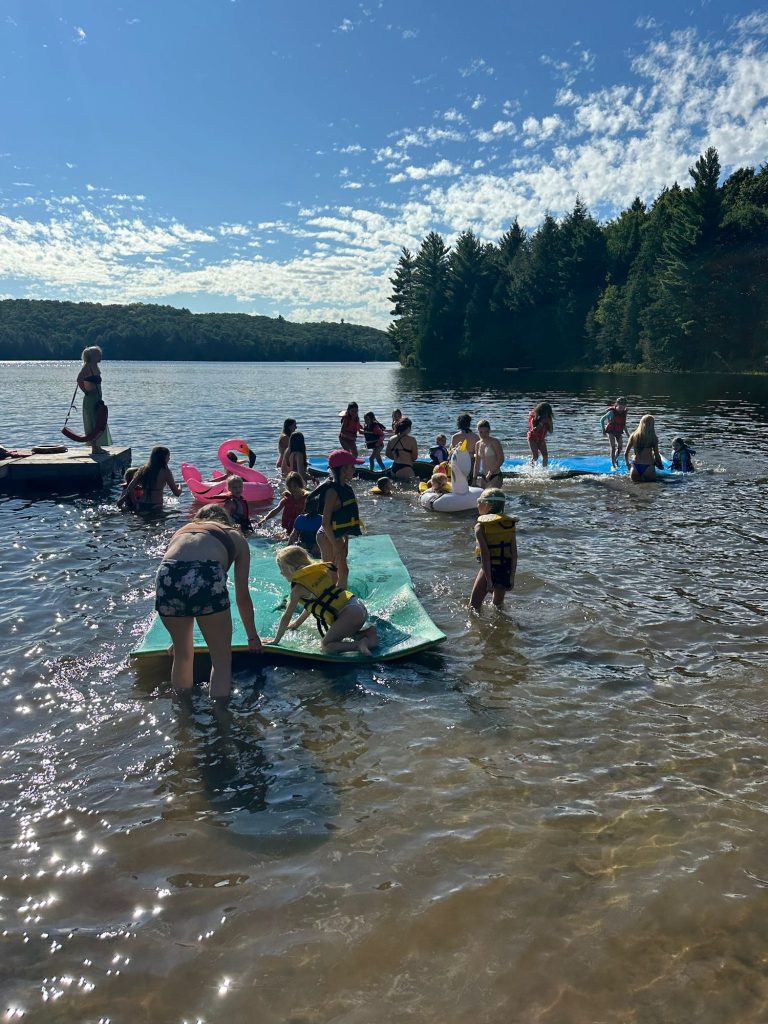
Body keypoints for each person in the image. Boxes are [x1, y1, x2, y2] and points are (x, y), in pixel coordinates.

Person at [154, 504, 262, 698]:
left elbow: (181, 570)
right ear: (225, 520)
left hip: (166, 575)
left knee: (182, 655)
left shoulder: (182, 531)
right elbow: (242, 596)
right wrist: (252, 637)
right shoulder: (235, 535)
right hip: (206, 573)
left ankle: (183, 718)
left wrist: (176, 637)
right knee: (221, 661)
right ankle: (221, 720)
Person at [267, 545, 377, 655]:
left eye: (282, 568)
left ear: (291, 568)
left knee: (327, 646)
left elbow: (287, 616)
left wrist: (276, 640)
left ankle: (358, 645)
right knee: (347, 633)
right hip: (357, 607)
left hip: (349, 614)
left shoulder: (297, 589)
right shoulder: (319, 572)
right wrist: (296, 624)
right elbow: (313, 605)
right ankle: (368, 634)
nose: (281, 573)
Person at [316, 449, 362, 588]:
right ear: (343, 469)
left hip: (339, 535)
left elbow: (345, 519)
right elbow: (325, 522)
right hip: (326, 536)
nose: (355, 470)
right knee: (332, 573)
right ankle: (326, 600)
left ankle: (342, 599)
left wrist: (345, 541)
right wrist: (335, 545)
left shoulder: (345, 488)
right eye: (352, 467)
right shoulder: (332, 492)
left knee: (344, 571)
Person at [470, 488, 518, 610]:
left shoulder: (480, 527)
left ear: (487, 505)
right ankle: (502, 626)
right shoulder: (509, 525)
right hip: (505, 569)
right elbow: (514, 554)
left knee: (473, 607)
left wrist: (489, 580)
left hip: (488, 570)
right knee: (498, 606)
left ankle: (480, 628)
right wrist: (511, 578)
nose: (477, 505)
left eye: (479, 502)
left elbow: (485, 555)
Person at [117, 445, 182, 512]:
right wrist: (180, 487)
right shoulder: (166, 471)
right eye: (168, 456)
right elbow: (177, 493)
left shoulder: (143, 469)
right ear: (163, 458)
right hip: (156, 506)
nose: (169, 459)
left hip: (141, 504)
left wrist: (135, 502)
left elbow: (129, 489)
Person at [76, 345, 112, 454]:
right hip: (90, 399)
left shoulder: (96, 366)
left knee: (99, 422)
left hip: (97, 398)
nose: (100, 356)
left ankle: (98, 446)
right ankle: (94, 448)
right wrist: (86, 391)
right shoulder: (87, 367)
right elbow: (79, 379)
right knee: (93, 422)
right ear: (92, 356)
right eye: (98, 354)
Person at [624, 415, 664, 482]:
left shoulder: (633, 435)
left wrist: (628, 464)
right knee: (651, 489)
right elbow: (656, 455)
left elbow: (626, 453)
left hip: (635, 467)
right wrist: (660, 465)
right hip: (648, 467)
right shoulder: (653, 437)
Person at [385, 417, 418, 482]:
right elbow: (414, 457)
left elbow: (387, 454)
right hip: (406, 468)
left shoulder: (391, 439)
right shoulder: (412, 440)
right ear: (408, 428)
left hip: (394, 467)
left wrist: (396, 457)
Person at [474, 419, 505, 488]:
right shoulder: (478, 444)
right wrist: (474, 478)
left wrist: (490, 472)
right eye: (481, 432)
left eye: (486, 432)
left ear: (489, 431)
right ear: (478, 431)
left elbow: (501, 459)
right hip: (483, 476)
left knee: (492, 497)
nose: (483, 434)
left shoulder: (494, 442)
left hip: (495, 475)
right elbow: (477, 463)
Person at [600, 397, 630, 468]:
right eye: (620, 407)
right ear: (616, 405)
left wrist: (628, 434)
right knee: (613, 447)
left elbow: (623, 424)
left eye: (623, 407)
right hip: (610, 431)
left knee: (620, 447)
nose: (621, 409)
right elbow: (602, 420)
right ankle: (613, 465)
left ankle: (615, 459)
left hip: (619, 431)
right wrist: (603, 430)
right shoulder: (611, 412)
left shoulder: (624, 413)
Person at [527, 402, 554, 466]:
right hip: (532, 438)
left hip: (541, 439)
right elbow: (534, 430)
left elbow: (551, 431)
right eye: (545, 413)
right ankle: (531, 468)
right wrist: (542, 423)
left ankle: (544, 469)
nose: (547, 415)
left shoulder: (549, 419)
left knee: (545, 455)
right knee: (535, 456)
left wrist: (550, 424)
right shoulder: (535, 418)